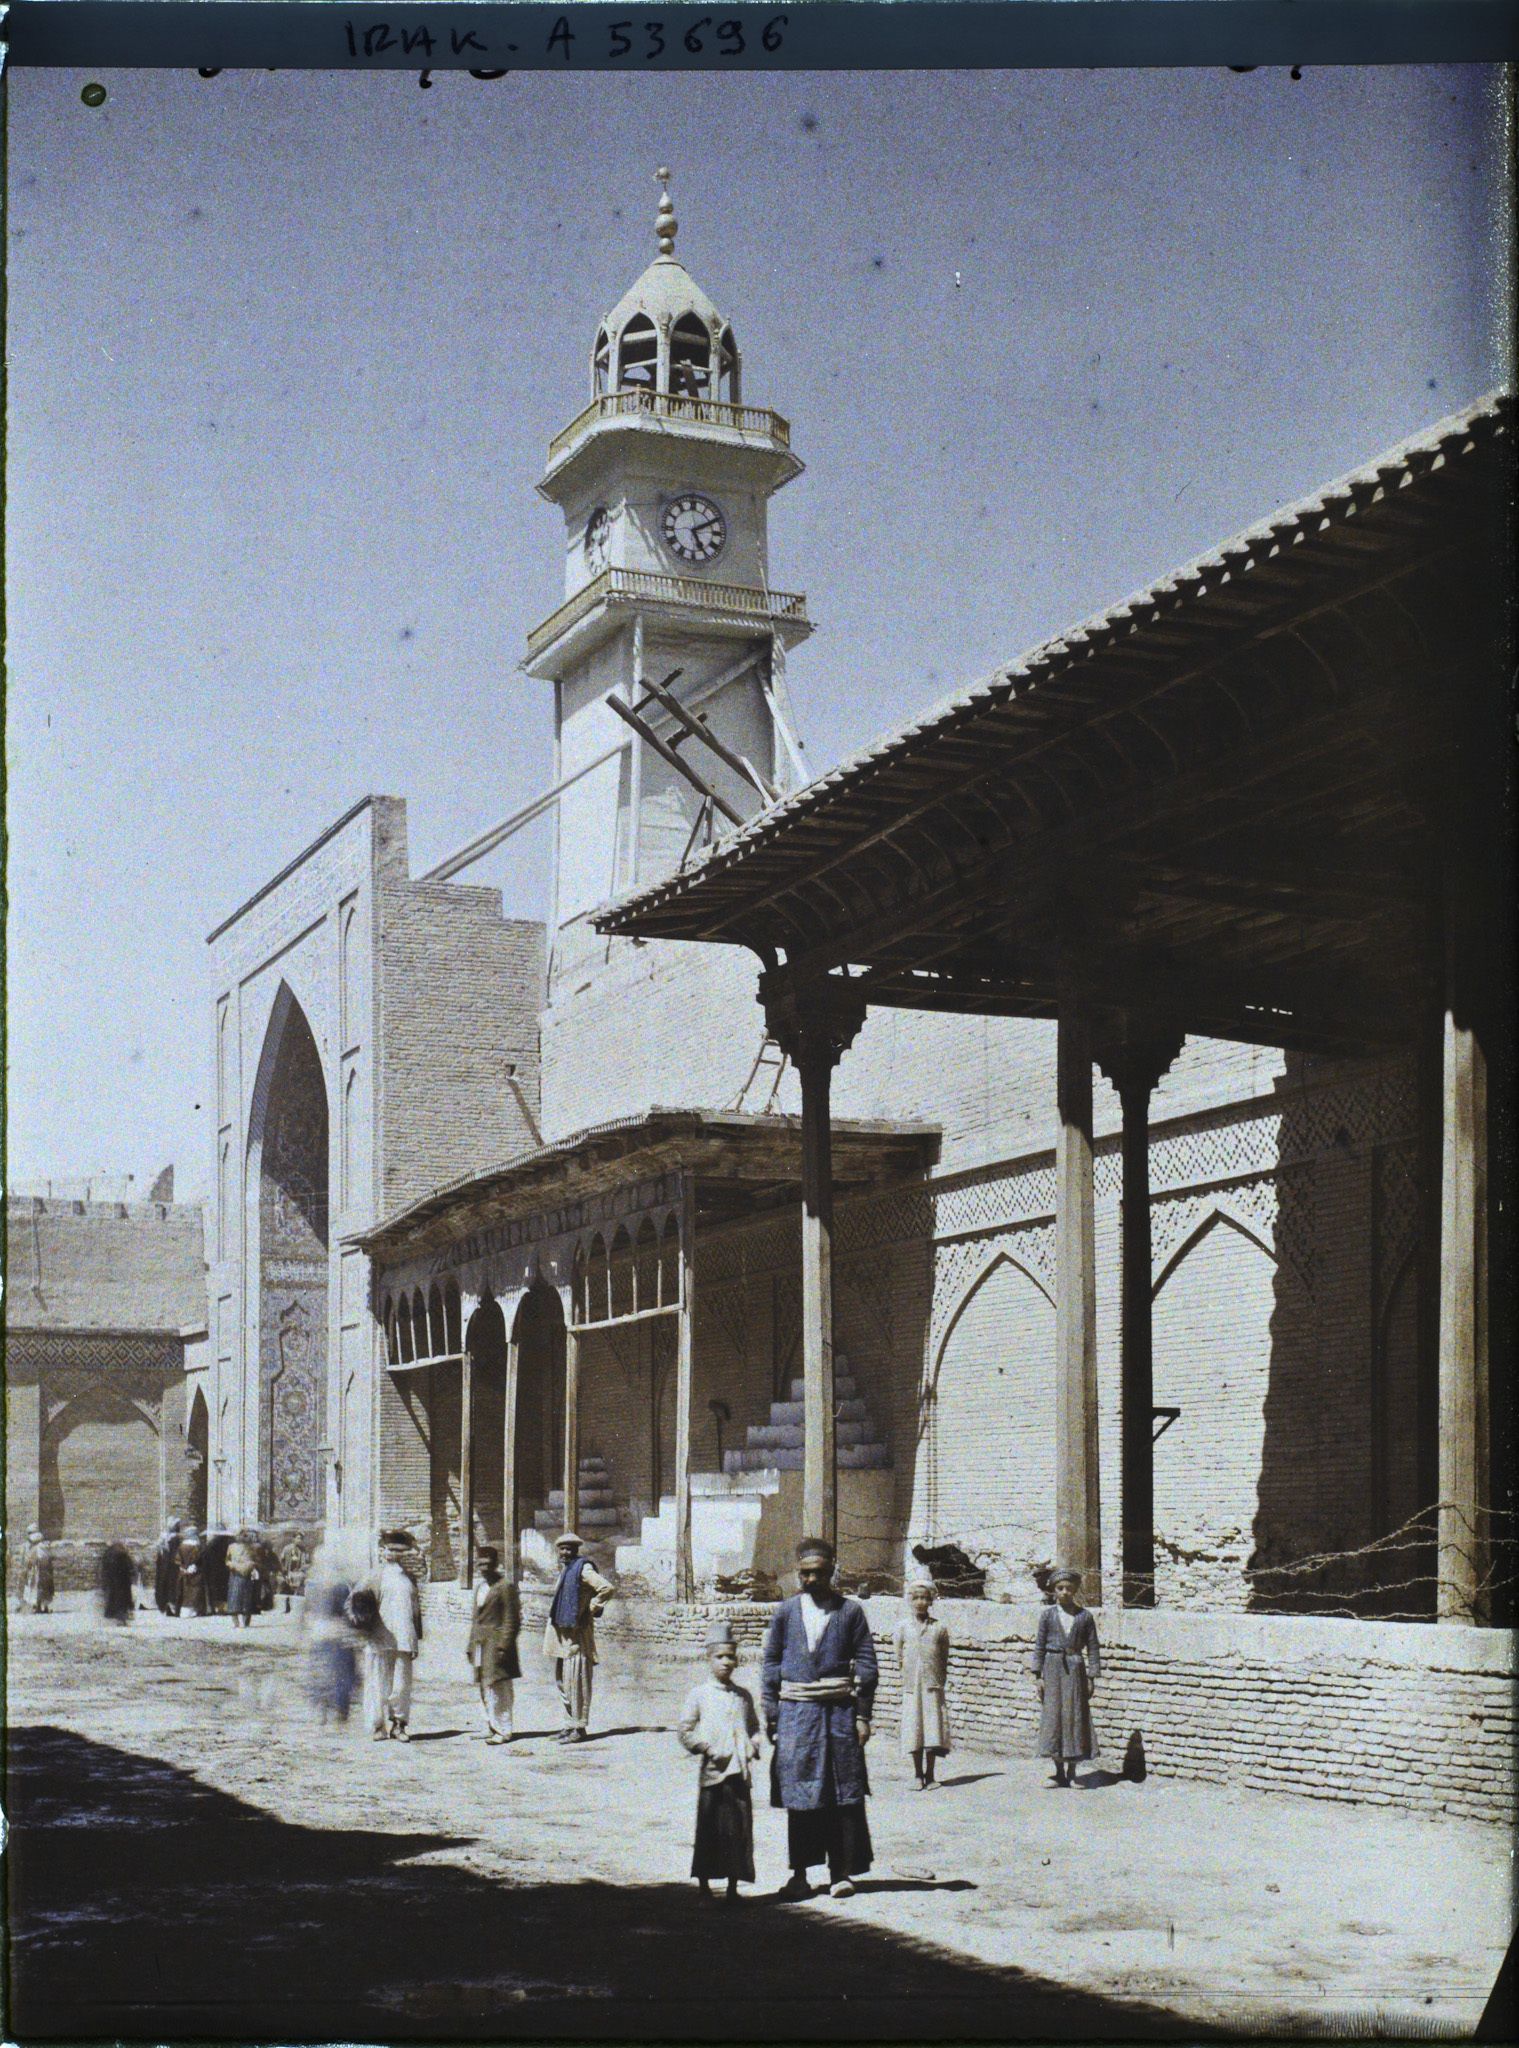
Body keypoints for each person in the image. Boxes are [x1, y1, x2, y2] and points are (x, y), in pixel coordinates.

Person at [761, 1535, 878, 1900]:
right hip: (797, 1714)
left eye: (818, 1573)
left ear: (832, 1571)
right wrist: (772, 1714)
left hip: (839, 1714)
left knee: (843, 1794)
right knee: (800, 1794)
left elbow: (868, 1664)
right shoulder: (785, 1612)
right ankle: (799, 1874)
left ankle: (841, 1873)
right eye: (804, 1574)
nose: (810, 1580)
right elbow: (771, 1664)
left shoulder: (850, 1612)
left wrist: (862, 1716)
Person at [678, 1620, 761, 1902]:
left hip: (738, 1776)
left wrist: (753, 1745)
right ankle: (703, 1887)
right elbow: (685, 1730)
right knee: (710, 1829)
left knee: (738, 1830)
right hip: (713, 1774)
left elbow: (754, 1728)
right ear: (708, 1659)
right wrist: (705, 1747)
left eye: (731, 1657)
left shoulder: (743, 1696)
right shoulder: (699, 1695)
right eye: (719, 1657)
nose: (726, 1662)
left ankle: (733, 1888)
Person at [349, 1531, 424, 1740]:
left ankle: (399, 1725)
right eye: (389, 1549)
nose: (393, 1554)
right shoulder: (374, 1575)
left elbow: (416, 1610)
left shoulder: (409, 1577)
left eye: (398, 1550)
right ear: (382, 1551)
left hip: (404, 1638)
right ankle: (378, 1726)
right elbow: (354, 1602)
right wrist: (362, 1623)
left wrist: (415, 1638)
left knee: (401, 1685)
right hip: (380, 1638)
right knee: (377, 1684)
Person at [1031, 1565, 1101, 1787]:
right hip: (1052, 1668)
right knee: (1055, 1718)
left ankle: (1072, 1773)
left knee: (1073, 1718)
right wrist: (1037, 1675)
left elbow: (1093, 1647)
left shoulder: (1084, 1617)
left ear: (1075, 1590)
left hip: (1074, 1669)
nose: (1064, 1592)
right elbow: (1039, 1646)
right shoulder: (1047, 1616)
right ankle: (1058, 1772)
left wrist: (1091, 1675)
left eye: (1069, 1589)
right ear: (1053, 1591)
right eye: (1060, 1588)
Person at [542, 1532, 614, 1743]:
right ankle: (568, 1724)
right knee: (562, 1681)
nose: (565, 1552)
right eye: (562, 1549)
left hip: (577, 1634)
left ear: (576, 1550)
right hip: (562, 1633)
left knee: (577, 1681)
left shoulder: (583, 1568)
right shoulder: (566, 1571)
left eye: (569, 1549)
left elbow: (606, 1588)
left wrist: (590, 1608)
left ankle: (579, 1728)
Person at [892, 1578, 952, 1789]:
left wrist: (938, 1678)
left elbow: (943, 1656)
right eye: (916, 1598)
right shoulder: (903, 1627)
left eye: (924, 1598)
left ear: (931, 1601)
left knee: (932, 1727)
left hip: (932, 1684)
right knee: (914, 1727)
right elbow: (899, 1655)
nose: (920, 1602)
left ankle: (931, 1775)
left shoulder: (939, 1628)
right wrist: (909, 1675)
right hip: (912, 1685)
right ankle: (917, 1775)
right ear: (910, 1600)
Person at [466, 1546, 521, 1745]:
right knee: (483, 1684)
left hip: (496, 1644)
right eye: (480, 1564)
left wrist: (504, 1646)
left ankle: (504, 1729)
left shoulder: (505, 1586)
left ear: (496, 1564)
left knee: (499, 1685)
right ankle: (489, 1724)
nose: (484, 1568)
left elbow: (512, 1619)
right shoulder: (480, 1587)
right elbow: (476, 1620)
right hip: (480, 1643)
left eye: (488, 1564)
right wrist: (471, 1644)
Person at [226, 1530, 261, 1629]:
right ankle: (235, 1622)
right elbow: (227, 1559)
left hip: (247, 1577)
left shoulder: (252, 1548)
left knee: (247, 1599)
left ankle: (246, 1622)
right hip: (235, 1576)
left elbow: (256, 1560)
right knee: (234, 1598)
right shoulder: (231, 1547)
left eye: (243, 1535)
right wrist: (231, 1564)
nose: (240, 1537)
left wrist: (251, 1565)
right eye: (238, 1535)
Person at [19, 1527, 55, 1614]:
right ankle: (43, 1607)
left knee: (36, 1588)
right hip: (45, 1573)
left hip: (37, 1573)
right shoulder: (45, 1547)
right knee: (45, 1589)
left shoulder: (35, 1549)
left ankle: (38, 1606)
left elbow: (29, 1561)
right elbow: (50, 1559)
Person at [100, 1540, 136, 1623]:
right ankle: (122, 1618)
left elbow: (105, 1569)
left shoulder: (109, 1555)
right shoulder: (124, 1556)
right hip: (124, 1584)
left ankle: (119, 1617)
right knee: (122, 1602)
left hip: (115, 1583)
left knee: (115, 1600)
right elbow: (130, 1568)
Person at [176, 1526, 208, 1616]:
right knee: (196, 1591)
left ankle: (183, 1611)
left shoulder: (181, 1547)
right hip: (197, 1572)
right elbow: (202, 1560)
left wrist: (183, 1568)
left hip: (184, 1572)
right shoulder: (199, 1547)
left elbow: (177, 1560)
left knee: (185, 1591)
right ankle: (196, 1610)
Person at [152, 1521, 182, 1615]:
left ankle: (165, 1606)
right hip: (172, 1567)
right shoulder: (176, 1539)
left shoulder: (165, 1540)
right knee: (172, 1586)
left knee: (164, 1585)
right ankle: (170, 1607)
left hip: (164, 1567)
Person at [202, 1524, 232, 1615]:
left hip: (213, 1570)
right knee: (225, 1588)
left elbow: (204, 1557)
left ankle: (215, 1608)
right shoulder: (230, 1542)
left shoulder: (211, 1544)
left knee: (215, 1589)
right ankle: (225, 1608)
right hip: (226, 1569)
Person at [279, 1533, 309, 1613]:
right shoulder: (287, 1548)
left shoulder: (303, 1550)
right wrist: (283, 1570)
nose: (299, 1540)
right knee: (287, 1588)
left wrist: (302, 1569)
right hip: (288, 1571)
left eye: (301, 1539)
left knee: (299, 1587)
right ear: (294, 1539)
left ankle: (296, 1608)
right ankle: (286, 1607)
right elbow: (282, 1560)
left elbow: (305, 1562)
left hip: (298, 1572)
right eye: (298, 1538)